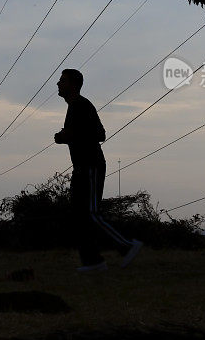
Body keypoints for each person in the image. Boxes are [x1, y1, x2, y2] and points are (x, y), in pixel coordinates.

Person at [54, 68, 142, 273]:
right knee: (79, 216)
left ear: (73, 84)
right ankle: (93, 262)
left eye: (62, 80)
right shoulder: (74, 106)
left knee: (91, 214)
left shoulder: (82, 105)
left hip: (91, 166)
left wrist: (68, 136)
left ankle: (127, 246)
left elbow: (99, 134)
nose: (58, 84)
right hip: (81, 168)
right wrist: (67, 135)